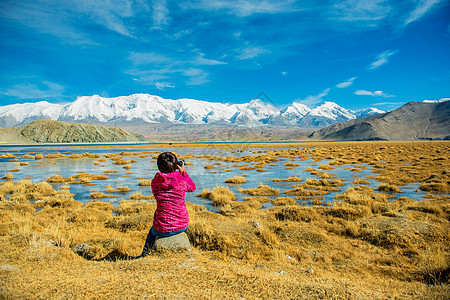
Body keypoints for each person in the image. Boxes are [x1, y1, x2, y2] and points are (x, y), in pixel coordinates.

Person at [138, 151, 196, 257]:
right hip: (181, 224)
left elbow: (167, 180)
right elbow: (192, 187)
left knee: (151, 234)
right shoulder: (181, 181)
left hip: (161, 227)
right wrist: (183, 173)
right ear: (176, 166)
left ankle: (144, 254)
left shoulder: (155, 182)